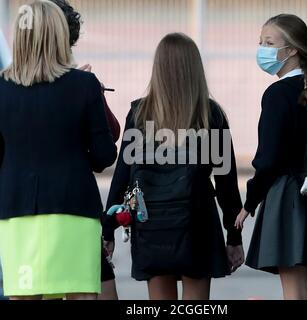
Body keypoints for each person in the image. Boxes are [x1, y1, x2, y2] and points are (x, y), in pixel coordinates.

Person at [0, 0, 117, 300]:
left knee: (25, 296)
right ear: (58, 34)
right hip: (74, 207)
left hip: (18, 212)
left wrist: (23, 162)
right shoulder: (85, 84)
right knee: (81, 294)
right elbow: (106, 155)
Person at [103, 33, 245, 300]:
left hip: (151, 225)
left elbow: (121, 177)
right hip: (197, 224)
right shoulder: (210, 115)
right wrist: (234, 237)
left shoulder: (140, 115)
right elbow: (226, 182)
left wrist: (108, 228)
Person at [235, 14, 307, 300]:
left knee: (295, 290)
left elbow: (269, 159)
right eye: (260, 41)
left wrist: (249, 203)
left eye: (269, 42)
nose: (261, 48)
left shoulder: (277, 95)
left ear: (291, 51)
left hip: (290, 200)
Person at [51, 0, 120, 301]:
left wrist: (94, 94)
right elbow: (106, 148)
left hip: (52, 207)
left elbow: (111, 133)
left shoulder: (78, 80)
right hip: (70, 206)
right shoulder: (71, 83)